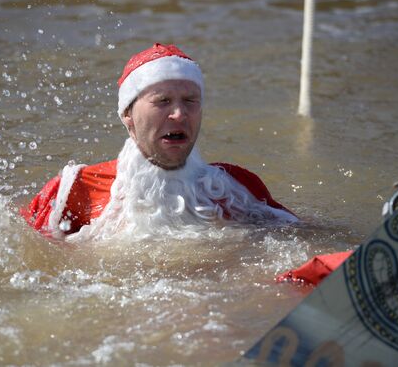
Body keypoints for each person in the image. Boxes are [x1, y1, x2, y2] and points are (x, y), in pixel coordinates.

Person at [21, 43, 298, 241]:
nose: (179, 114)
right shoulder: (75, 189)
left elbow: (306, 239)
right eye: (162, 101)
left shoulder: (239, 188)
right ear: (127, 114)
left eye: (190, 101)